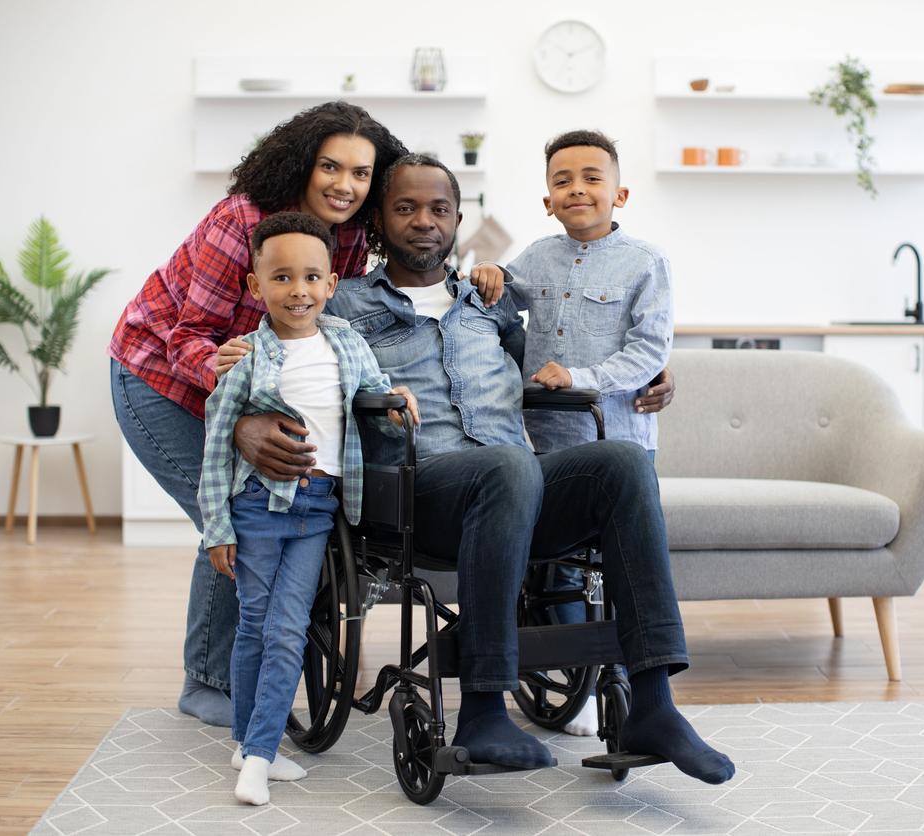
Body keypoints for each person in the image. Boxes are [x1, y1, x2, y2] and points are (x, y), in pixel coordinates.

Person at [300, 154, 735, 784]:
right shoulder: (342, 305)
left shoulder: (489, 301)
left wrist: (650, 372)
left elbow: (553, 354)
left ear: (457, 221)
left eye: (439, 209)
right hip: (419, 498)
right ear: (378, 220)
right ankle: (482, 711)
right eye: (405, 208)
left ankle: (655, 706)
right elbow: (291, 359)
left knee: (621, 463)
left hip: (517, 487)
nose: (424, 221)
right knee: (507, 464)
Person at [108, 101, 408, 727]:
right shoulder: (241, 220)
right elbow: (189, 335)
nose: (344, 186)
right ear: (303, 162)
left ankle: (270, 664)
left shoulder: (349, 235)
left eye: (360, 174)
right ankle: (209, 682)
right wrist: (241, 419)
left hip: (252, 388)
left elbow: (322, 330)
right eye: (331, 166)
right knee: (237, 525)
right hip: (159, 377)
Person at [198, 212, 418, 806]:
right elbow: (219, 444)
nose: (298, 290)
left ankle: (256, 747)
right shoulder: (246, 356)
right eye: (282, 278)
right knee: (255, 627)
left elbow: (372, 391)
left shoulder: (346, 340)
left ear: (329, 285)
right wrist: (216, 527)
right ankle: (253, 751)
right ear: (255, 286)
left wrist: (397, 395)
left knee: (287, 627)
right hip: (258, 506)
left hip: (320, 507)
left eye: (311, 277)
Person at [470, 129, 673, 737]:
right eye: (562, 181)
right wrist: (485, 275)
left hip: (620, 444)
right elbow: (497, 299)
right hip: (546, 445)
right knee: (554, 573)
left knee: (616, 572)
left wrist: (580, 375)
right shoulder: (535, 257)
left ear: (621, 192)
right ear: (547, 200)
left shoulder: (646, 262)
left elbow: (649, 348)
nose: (577, 189)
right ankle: (571, 688)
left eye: (591, 177)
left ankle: (626, 682)